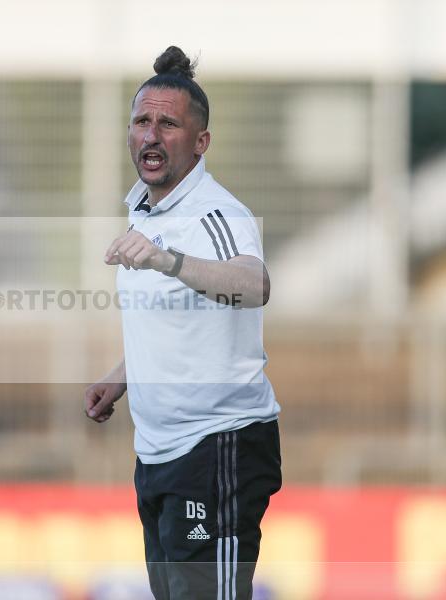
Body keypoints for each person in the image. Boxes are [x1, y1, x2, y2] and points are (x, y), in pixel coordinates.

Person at [84, 46, 282, 600]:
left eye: (168, 124)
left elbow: (253, 285)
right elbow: (173, 319)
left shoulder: (217, 214)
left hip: (217, 447)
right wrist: (121, 377)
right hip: (159, 454)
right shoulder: (146, 209)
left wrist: (164, 259)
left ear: (201, 142)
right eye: (142, 121)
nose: (151, 134)